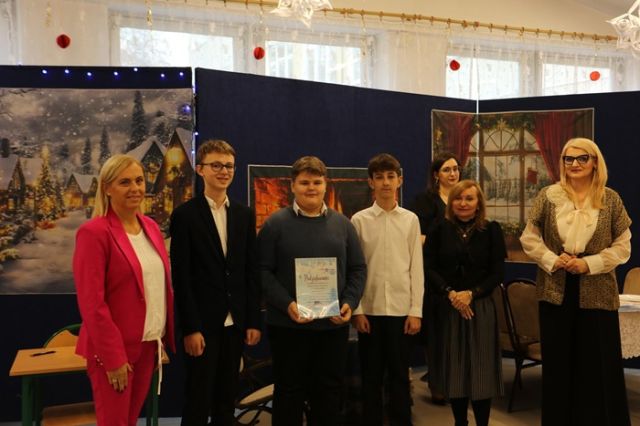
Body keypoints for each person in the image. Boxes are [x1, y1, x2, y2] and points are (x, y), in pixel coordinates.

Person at [520, 137, 631, 426]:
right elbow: (529, 238)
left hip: (598, 293)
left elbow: (623, 247)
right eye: (569, 159)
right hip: (555, 291)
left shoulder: (610, 199)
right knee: (558, 365)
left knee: (597, 365)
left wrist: (588, 264)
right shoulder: (548, 196)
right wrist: (552, 259)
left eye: (582, 158)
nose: (575, 164)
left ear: (595, 162)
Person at [257, 156, 367, 425]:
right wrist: (287, 304)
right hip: (288, 326)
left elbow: (358, 269)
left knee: (329, 392)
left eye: (317, 182)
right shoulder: (274, 224)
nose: (311, 188)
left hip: (332, 326)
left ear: (325, 185)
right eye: (304, 182)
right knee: (288, 392)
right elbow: (262, 272)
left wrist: (349, 302)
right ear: (292, 185)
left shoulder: (343, 224)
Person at [73, 154, 175, 426]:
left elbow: (156, 287)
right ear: (107, 188)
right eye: (125, 182)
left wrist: (159, 337)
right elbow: (92, 304)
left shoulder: (150, 227)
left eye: (139, 180)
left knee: (129, 421)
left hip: (148, 345)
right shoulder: (94, 233)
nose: (135, 188)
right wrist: (113, 358)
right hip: (115, 351)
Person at [170, 139, 262, 426]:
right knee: (198, 399)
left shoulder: (244, 215)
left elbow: (250, 271)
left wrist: (252, 320)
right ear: (200, 169)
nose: (224, 171)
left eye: (229, 166)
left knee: (226, 399)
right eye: (217, 165)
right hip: (202, 325)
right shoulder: (185, 215)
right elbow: (181, 277)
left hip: (235, 323)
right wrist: (190, 328)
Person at [351, 153, 424, 426]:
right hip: (369, 312)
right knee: (370, 377)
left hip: (401, 312)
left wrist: (415, 311)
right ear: (371, 182)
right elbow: (354, 269)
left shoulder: (410, 220)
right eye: (379, 177)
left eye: (390, 177)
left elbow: (416, 268)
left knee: (399, 376)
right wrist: (357, 310)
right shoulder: (359, 221)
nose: (385, 182)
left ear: (399, 181)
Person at [424, 180, 505, 426]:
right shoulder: (439, 229)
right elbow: (429, 268)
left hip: (480, 307)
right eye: (458, 198)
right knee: (455, 370)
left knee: (481, 371)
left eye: (469, 198)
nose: (463, 203)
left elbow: (497, 272)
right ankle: (460, 422)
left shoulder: (491, 230)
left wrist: (472, 293)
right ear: (451, 202)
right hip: (449, 306)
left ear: (478, 203)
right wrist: (450, 293)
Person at [409, 152, 461, 405]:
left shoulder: (464, 198)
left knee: (457, 335)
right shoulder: (425, 201)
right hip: (433, 274)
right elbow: (417, 237)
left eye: (456, 169)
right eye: (447, 169)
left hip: (460, 275)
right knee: (436, 335)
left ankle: (458, 383)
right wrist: (445, 244)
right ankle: (438, 386)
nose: (453, 173)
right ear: (436, 175)